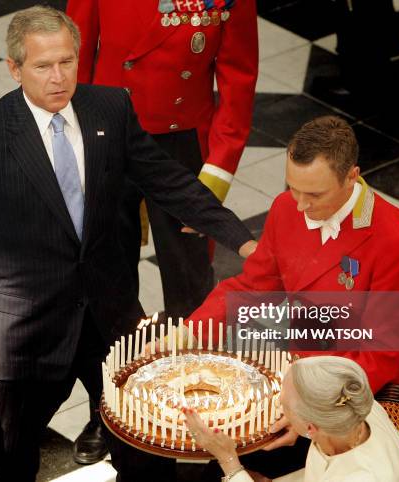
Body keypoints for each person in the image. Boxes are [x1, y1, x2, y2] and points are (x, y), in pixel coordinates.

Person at [0, 6, 257, 481]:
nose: (58, 77)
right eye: (42, 66)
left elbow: (169, 183)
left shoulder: (110, 109)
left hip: (109, 321)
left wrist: (243, 240)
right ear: (14, 68)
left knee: (146, 453)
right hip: (25, 334)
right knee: (11, 459)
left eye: (67, 62)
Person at [64, 1, 258, 460]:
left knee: (190, 283)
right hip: (109, 133)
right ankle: (109, 404)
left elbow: (238, 77)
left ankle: (191, 405)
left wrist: (218, 168)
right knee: (107, 280)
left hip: (183, 141)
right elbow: (77, 51)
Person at [187, 115, 399, 479]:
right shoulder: (287, 207)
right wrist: (191, 332)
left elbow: (380, 355)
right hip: (295, 384)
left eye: (314, 194)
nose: (299, 205)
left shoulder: (396, 240)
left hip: (351, 405)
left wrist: (307, 415)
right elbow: (253, 287)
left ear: (352, 176)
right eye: (293, 188)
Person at [184, 356, 399, 481]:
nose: (278, 406)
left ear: (310, 427)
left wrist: (229, 460)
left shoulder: (362, 478)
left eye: (283, 405)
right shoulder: (351, 403)